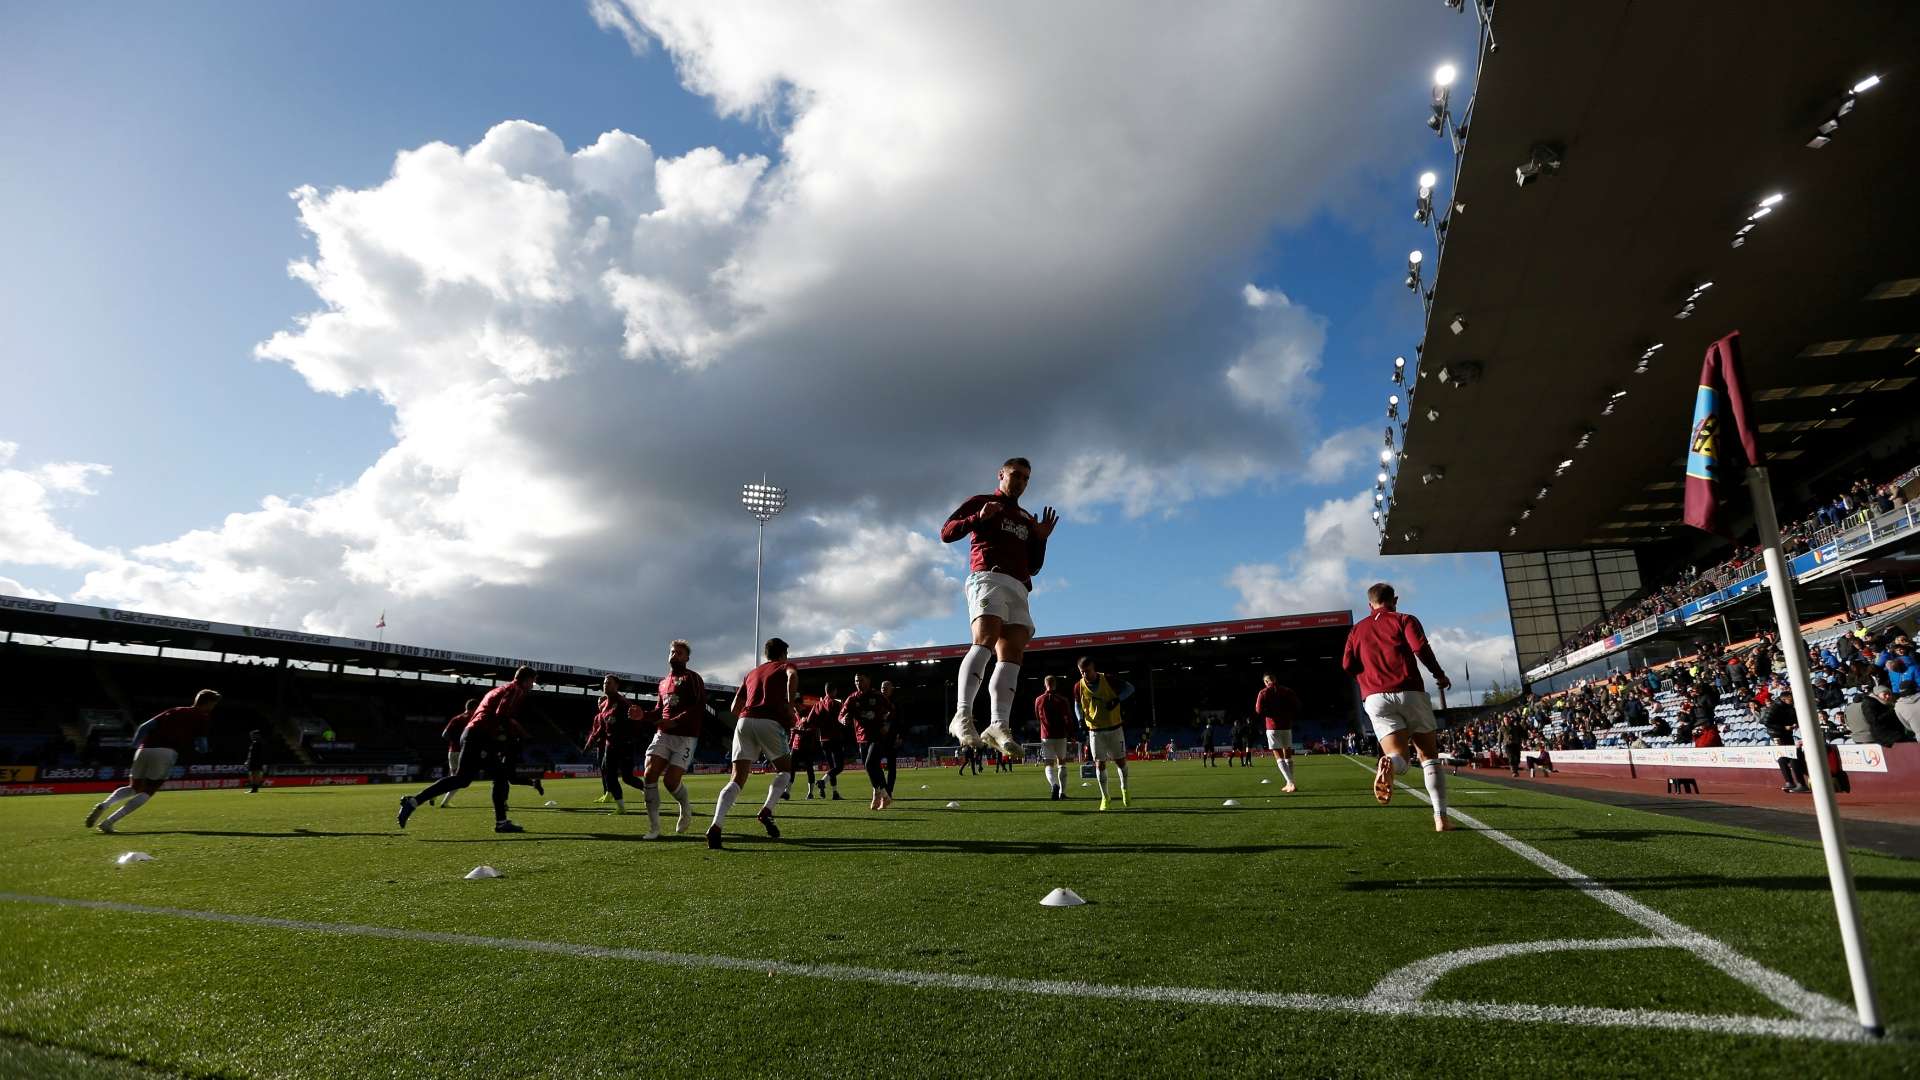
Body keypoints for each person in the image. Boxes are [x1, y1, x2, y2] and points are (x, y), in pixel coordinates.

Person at [941, 457, 1059, 755]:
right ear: (1001, 474)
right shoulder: (982, 501)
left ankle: (998, 724)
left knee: (1013, 654)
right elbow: (947, 532)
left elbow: (1034, 567)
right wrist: (977, 518)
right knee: (985, 639)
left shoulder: (1025, 518)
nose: (1020, 482)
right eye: (1016, 475)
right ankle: (962, 715)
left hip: (1019, 586)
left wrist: (1041, 539)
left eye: (1026, 478)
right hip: (988, 576)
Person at [1340, 582, 1454, 832]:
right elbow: (1419, 648)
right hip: (1409, 691)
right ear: (1395, 599)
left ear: (1370, 604)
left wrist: (1368, 678)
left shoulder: (1356, 630)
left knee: (1399, 756)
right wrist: (1439, 674)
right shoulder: (1404, 619)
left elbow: (1347, 665)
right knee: (1428, 757)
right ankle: (1441, 818)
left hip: (1375, 698)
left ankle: (1389, 763)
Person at [398, 668, 536, 833]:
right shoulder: (516, 690)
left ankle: (413, 801)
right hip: (480, 735)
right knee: (499, 775)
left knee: (463, 779)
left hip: (472, 733)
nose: (532, 685)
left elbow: (490, 714)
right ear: (526, 680)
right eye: (532, 681)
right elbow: (502, 714)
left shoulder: (500, 689)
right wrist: (509, 737)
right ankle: (501, 822)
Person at [86, 690, 220, 833]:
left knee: (134, 787)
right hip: (166, 752)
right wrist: (202, 749)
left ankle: (105, 804)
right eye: (213, 704)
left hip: (144, 749)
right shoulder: (202, 717)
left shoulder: (175, 710)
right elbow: (202, 744)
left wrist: (135, 745)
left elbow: (144, 727)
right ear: (209, 703)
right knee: (149, 789)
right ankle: (109, 822)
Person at [709, 638, 799, 849]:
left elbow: (734, 708)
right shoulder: (786, 666)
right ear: (784, 654)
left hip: (743, 721)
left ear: (766, 654)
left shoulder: (751, 673)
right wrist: (789, 704)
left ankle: (716, 824)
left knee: (737, 778)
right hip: (768, 721)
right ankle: (767, 810)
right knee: (786, 770)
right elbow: (792, 676)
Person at [640, 639, 704, 840]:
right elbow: (659, 711)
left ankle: (685, 807)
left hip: (685, 737)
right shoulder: (663, 683)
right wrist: (642, 715)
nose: (674, 655)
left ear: (687, 658)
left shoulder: (692, 678)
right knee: (649, 775)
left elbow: (698, 707)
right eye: (672, 652)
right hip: (663, 734)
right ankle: (654, 828)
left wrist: (675, 722)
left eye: (679, 652)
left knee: (670, 781)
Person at [1074, 656, 1133, 810]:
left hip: (1114, 728)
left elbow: (1130, 688)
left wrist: (1117, 700)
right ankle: (1105, 797)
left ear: (1093, 668)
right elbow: (1077, 705)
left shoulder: (1108, 679)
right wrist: (1080, 719)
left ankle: (1124, 789)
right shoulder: (1078, 686)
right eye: (1081, 672)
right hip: (1095, 731)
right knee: (1099, 764)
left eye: (1087, 671)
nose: (1084, 675)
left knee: (1120, 762)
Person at [585, 674, 648, 814]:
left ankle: (646, 790)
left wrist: (632, 738)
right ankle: (621, 807)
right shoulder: (604, 705)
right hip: (610, 745)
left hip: (625, 745)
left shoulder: (624, 702)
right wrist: (589, 744)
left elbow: (637, 721)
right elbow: (600, 728)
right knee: (608, 773)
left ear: (616, 686)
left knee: (627, 778)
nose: (605, 685)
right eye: (604, 682)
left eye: (609, 682)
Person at [843, 674, 895, 809]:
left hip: (877, 736)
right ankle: (882, 795)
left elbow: (892, 711)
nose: (858, 683)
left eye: (861, 680)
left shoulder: (878, 696)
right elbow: (841, 715)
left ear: (868, 681)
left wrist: (887, 725)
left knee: (870, 763)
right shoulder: (852, 698)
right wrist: (843, 720)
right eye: (856, 681)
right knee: (872, 767)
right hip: (861, 738)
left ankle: (879, 793)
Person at [1255, 674, 1301, 793]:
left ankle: (1290, 783)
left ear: (1266, 681)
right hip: (1286, 725)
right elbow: (1297, 705)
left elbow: (1258, 710)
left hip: (1272, 726)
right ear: (1275, 679)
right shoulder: (1287, 691)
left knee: (1278, 755)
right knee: (1288, 754)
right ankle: (1289, 782)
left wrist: (1269, 713)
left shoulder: (1263, 692)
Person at [1034, 675, 1076, 799]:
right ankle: (1062, 793)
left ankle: (1054, 784)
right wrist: (1072, 734)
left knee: (1048, 763)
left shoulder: (1038, 700)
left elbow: (1037, 717)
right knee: (1062, 762)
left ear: (1045, 684)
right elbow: (1068, 718)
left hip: (1046, 735)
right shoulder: (1062, 700)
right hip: (1061, 735)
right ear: (1055, 684)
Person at [437, 700, 475, 807]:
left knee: (452, 777)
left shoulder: (456, 718)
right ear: (474, 708)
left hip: (452, 751)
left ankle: (434, 795)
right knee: (460, 779)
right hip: (463, 752)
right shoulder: (472, 719)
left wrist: (454, 741)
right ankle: (445, 802)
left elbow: (444, 735)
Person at [789, 689, 822, 800]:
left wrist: (798, 731)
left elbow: (812, 731)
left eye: (795, 706)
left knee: (809, 769)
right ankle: (787, 792)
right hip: (795, 746)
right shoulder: (795, 715)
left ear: (799, 704)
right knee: (791, 769)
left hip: (807, 746)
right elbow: (793, 731)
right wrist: (790, 742)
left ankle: (810, 793)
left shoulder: (809, 714)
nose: (794, 709)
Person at [244, 728, 267, 793]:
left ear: (257, 735)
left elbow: (253, 754)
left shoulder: (257, 743)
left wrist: (248, 761)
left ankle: (254, 789)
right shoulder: (258, 743)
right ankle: (255, 788)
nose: (251, 736)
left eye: (253, 735)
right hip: (256, 761)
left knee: (254, 774)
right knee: (254, 774)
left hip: (255, 761)